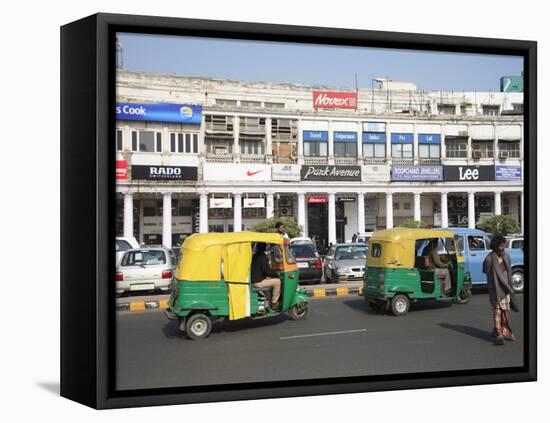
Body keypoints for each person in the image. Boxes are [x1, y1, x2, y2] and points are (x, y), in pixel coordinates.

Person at [483, 235, 515, 345]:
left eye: (504, 245)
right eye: (501, 246)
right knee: (497, 310)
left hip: (506, 289)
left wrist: (509, 286)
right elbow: (487, 272)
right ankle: (499, 334)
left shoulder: (507, 257)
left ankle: (496, 330)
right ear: (495, 246)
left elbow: (509, 271)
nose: (503, 248)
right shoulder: (488, 259)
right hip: (495, 289)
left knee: (504, 311)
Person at [251, 242, 281, 311]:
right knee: (277, 281)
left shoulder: (254, 256)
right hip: (258, 282)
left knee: (270, 279)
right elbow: (266, 271)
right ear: (264, 248)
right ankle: (274, 302)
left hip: (254, 280)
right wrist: (276, 274)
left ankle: (268, 300)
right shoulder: (263, 257)